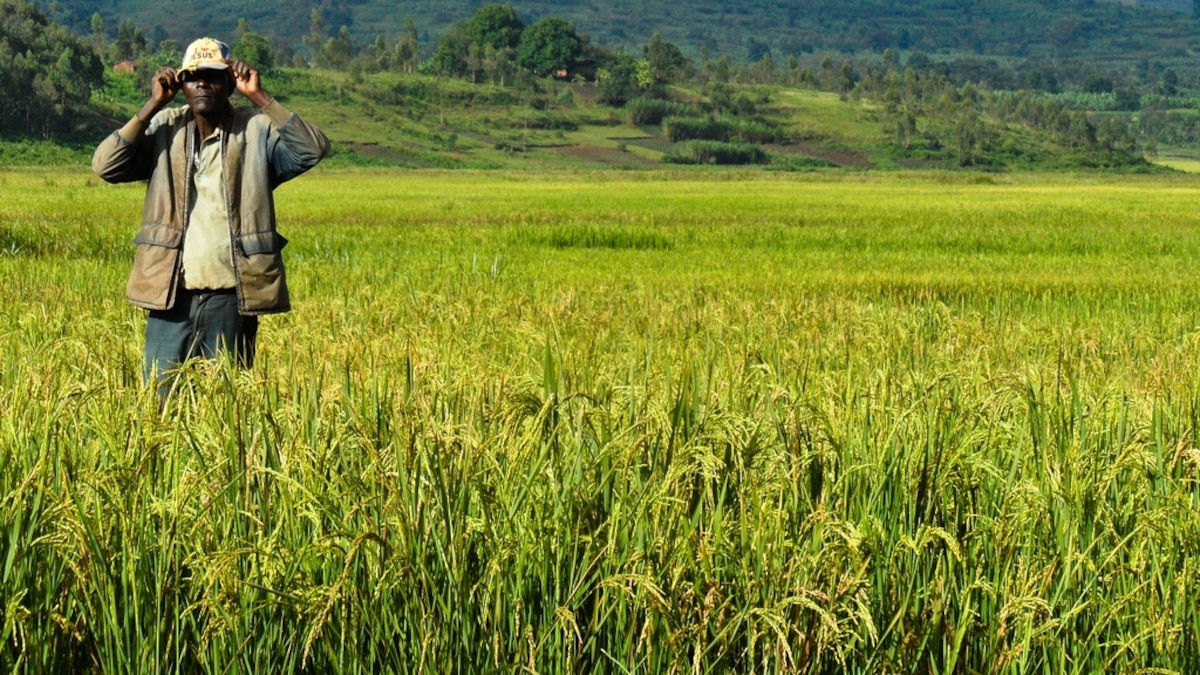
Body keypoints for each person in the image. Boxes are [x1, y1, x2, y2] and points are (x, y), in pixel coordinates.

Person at [93, 38, 330, 393]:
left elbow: (312, 149)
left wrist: (261, 97)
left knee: (224, 406)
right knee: (160, 405)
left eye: (213, 76)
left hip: (232, 297)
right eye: (193, 77)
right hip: (171, 295)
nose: (202, 84)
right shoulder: (164, 129)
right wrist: (153, 103)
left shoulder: (256, 131)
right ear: (181, 85)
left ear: (230, 83)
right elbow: (105, 165)